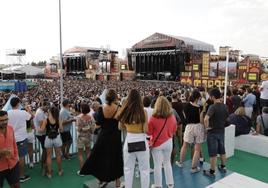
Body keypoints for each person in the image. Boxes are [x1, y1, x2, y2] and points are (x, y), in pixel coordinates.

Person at [80, 89, 123, 188]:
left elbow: (98, 124)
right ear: (115, 97)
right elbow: (121, 122)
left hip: (104, 136)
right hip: (115, 137)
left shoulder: (101, 108)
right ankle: (117, 182)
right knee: (116, 158)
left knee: (100, 157)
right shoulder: (119, 108)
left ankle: (101, 180)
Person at [117, 89, 149, 188]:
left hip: (129, 140)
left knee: (128, 169)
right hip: (142, 141)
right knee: (144, 170)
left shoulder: (124, 111)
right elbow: (145, 130)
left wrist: (129, 126)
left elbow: (120, 127)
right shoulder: (143, 112)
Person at [148, 96, 177, 188]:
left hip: (157, 144)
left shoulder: (153, 117)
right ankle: (170, 183)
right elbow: (174, 129)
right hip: (168, 142)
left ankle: (158, 185)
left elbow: (149, 132)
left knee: (157, 164)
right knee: (167, 162)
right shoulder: (172, 116)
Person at [176, 90, 205, 173]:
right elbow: (201, 120)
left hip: (189, 126)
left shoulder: (185, 105)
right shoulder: (200, 108)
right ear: (198, 97)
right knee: (197, 148)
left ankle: (181, 162)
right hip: (198, 127)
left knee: (184, 145)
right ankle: (193, 168)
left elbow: (184, 117)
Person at [203, 88, 229, 177]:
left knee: (213, 153)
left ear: (213, 97)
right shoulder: (225, 106)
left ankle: (212, 171)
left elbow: (206, 119)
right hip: (221, 131)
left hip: (212, 132)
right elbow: (227, 119)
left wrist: (207, 128)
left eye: (210, 96)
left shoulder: (212, 107)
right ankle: (223, 167)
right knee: (222, 150)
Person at [8, 97, 32, 183]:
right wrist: (28, 108)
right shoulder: (23, 112)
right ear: (18, 103)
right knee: (21, 157)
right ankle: (21, 176)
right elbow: (30, 117)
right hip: (21, 138)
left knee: (12, 157)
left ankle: (12, 175)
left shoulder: (7, 113)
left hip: (11, 138)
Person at [41, 106, 63, 178]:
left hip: (48, 138)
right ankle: (60, 171)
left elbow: (42, 130)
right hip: (57, 138)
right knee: (58, 155)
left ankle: (49, 173)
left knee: (48, 156)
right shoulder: (58, 119)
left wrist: (38, 127)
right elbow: (61, 129)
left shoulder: (46, 120)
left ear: (50, 112)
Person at [0, 110, 20, 188]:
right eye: (1, 120)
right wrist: (1, 151)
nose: (5, 122)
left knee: (16, 185)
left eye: (6, 119)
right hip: (1, 166)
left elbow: (14, 143)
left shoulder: (10, 128)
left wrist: (16, 156)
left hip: (13, 163)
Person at [76, 103, 95, 176]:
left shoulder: (79, 118)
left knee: (80, 154)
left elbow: (78, 129)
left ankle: (82, 171)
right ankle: (89, 169)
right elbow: (93, 128)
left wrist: (82, 128)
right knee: (88, 153)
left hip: (81, 137)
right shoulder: (91, 117)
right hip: (89, 137)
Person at [33, 101, 50, 175]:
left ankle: (44, 167)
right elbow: (41, 126)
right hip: (41, 134)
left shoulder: (41, 111)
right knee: (45, 150)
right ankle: (43, 168)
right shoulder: (40, 113)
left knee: (45, 150)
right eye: (47, 106)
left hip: (42, 133)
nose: (48, 108)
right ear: (43, 105)